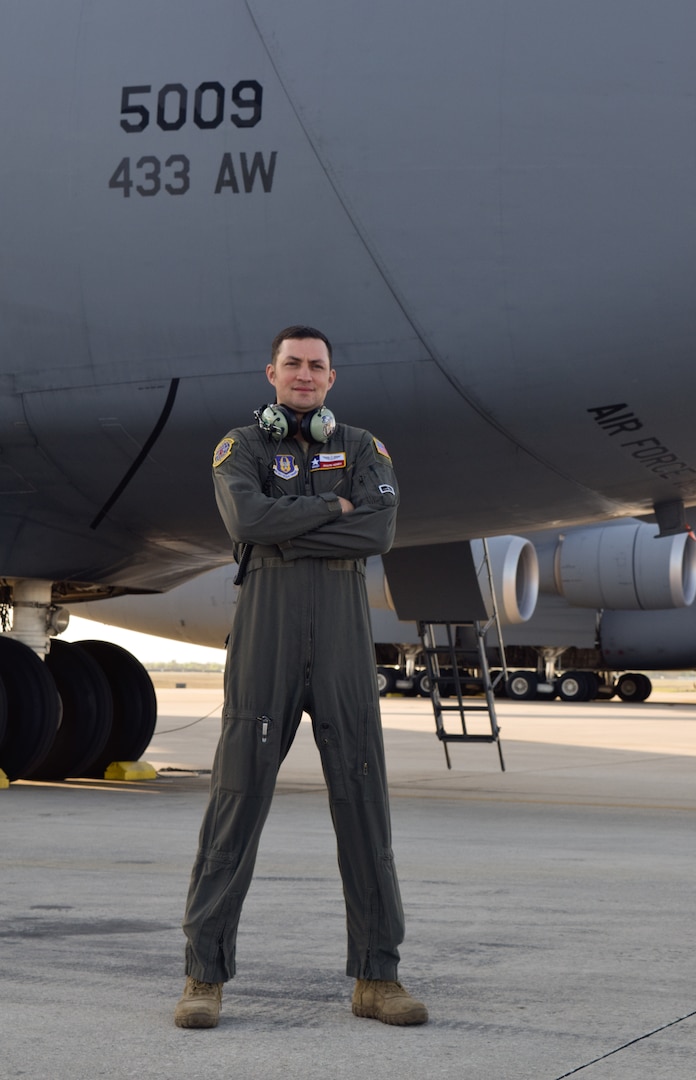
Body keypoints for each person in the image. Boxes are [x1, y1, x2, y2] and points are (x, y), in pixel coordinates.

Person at [175, 325, 428, 1029]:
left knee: (363, 798)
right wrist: (331, 507)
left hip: (345, 633)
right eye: (294, 364)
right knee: (236, 799)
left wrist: (288, 524)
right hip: (268, 630)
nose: (305, 375)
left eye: (317, 365)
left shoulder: (365, 447)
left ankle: (378, 978)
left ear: (331, 378)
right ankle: (204, 977)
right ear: (273, 374)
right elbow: (245, 516)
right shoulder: (242, 447)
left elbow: (377, 532)